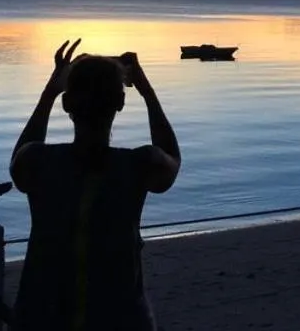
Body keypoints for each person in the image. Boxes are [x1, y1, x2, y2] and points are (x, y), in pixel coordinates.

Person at [11, 40, 182, 331]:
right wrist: (146, 90)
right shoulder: (140, 165)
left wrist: (50, 91)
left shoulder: (38, 162)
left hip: (41, 318)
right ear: (120, 102)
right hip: (122, 320)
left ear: (67, 103)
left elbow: (19, 158)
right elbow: (172, 160)